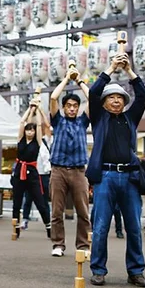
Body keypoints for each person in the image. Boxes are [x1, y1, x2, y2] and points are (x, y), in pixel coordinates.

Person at [87, 52, 145, 288]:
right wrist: (111, 68)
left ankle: (136, 271)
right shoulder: (99, 118)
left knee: (134, 226)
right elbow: (93, 92)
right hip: (105, 176)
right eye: (111, 97)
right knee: (101, 225)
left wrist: (129, 71)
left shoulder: (130, 118)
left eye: (120, 97)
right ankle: (98, 270)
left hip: (130, 178)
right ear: (103, 103)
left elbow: (143, 94)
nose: (116, 101)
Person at [48, 65, 91, 257]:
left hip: (79, 170)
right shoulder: (58, 121)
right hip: (57, 170)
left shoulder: (83, 121)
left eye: (75, 106)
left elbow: (93, 99)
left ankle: (82, 246)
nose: (72, 108)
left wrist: (79, 80)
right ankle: (58, 244)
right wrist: (66, 79)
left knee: (83, 210)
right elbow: (53, 98)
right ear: (64, 108)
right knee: (57, 211)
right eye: (69, 106)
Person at [10, 101, 51, 238]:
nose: (30, 132)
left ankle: (48, 227)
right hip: (19, 172)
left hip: (32, 173)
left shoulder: (37, 142)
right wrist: (30, 109)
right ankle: (16, 229)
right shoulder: (20, 139)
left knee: (40, 201)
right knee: (17, 202)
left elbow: (40, 125)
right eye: (28, 129)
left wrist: (38, 110)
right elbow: (22, 122)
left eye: (32, 130)